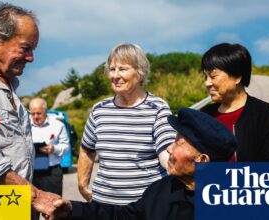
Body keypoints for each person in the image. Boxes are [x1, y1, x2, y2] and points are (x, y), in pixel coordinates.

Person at [46, 107, 237, 220]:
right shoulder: (161, 189)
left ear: (201, 160)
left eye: (178, 143)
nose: (169, 149)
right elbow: (124, 216)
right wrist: (72, 209)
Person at [0, 2, 59, 216]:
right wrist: (37, 197)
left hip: (10, 208)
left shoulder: (8, 85)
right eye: (25, 48)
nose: (31, 58)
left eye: (33, 50)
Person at [78, 43, 176, 205]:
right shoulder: (99, 109)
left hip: (145, 207)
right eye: (112, 69)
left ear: (140, 72)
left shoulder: (157, 108)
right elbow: (87, 149)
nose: (115, 75)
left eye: (122, 69)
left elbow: (166, 150)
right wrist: (82, 185)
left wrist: (176, 166)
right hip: (103, 206)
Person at [200, 43, 269, 162]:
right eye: (205, 77)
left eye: (213, 76)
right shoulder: (204, 115)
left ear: (237, 77)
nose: (207, 83)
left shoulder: (263, 113)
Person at [30, 98, 69, 195]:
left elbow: (66, 147)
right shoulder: (25, 126)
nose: (35, 117)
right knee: (30, 208)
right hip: (31, 172)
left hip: (52, 172)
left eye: (39, 113)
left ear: (46, 112)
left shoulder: (58, 125)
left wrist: (54, 149)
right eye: (33, 114)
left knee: (53, 207)